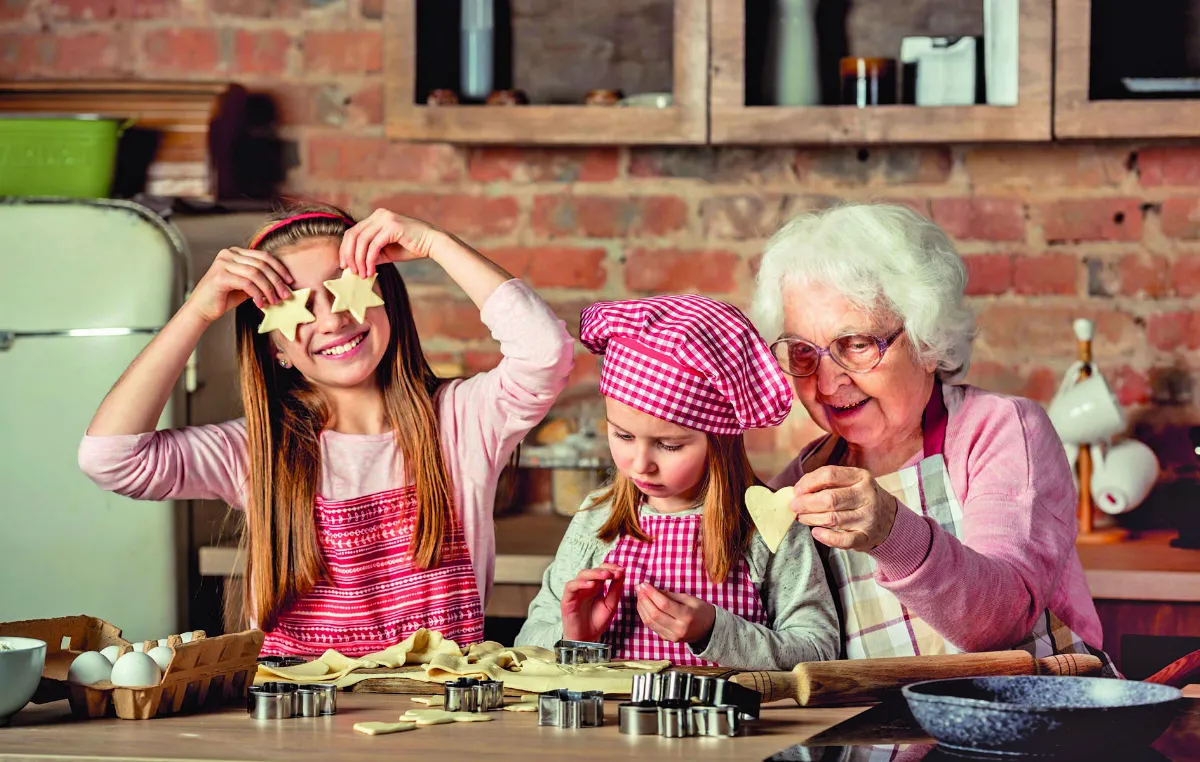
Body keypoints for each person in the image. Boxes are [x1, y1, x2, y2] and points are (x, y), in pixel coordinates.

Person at [78, 204, 574, 657]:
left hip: (437, 714)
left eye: (343, 288)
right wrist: (198, 310)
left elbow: (546, 353)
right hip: (297, 723)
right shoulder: (257, 450)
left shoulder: (461, 422)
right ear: (275, 348)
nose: (332, 319)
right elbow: (110, 459)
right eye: (296, 304)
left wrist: (434, 243)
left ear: (386, 300)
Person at [752, 202, 1112, 669]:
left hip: (1026, 722)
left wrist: (889, 532)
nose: (827, 383)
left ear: (926, 341)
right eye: (803, 352)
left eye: (857, 344)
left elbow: (1002, 619)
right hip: (880, 736)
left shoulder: (1000, 432)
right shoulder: (801, 478)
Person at [516, 295, 839, 669]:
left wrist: (713, 631)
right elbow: (526, 646)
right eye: (622, 436)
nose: (640, 465)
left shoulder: (769, 526)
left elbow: (819, 652)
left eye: (668, 445)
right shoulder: (595, 521)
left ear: (718, 441)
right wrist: (575, 638)